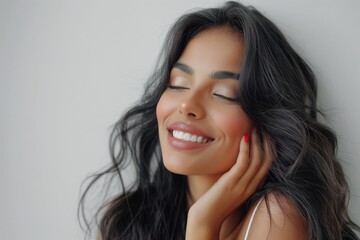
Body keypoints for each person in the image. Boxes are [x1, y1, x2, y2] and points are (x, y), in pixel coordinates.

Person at [79, 1, 360, 239]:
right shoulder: (129, 217)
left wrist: (203, 224)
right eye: (177, 84)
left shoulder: (278, 217)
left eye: (224, 94)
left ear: (265, 121)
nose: (188, 104)